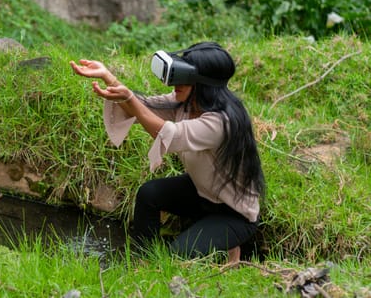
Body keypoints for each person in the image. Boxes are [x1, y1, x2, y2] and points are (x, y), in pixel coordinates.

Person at [70, 42, 265, 262]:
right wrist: (108, 77)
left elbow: (166, 133)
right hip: (203, 194)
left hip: (233, 213)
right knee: (149, 194)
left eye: (185, 77)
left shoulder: (220, 122)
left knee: (179, 254)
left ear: (203, 84)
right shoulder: (185, 103)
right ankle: (143, 261)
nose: (176, 83)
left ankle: (229, 249)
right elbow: (144, 107)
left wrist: (129, 99)